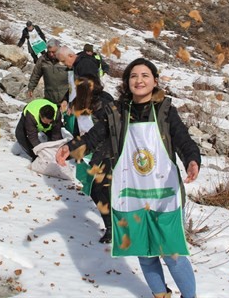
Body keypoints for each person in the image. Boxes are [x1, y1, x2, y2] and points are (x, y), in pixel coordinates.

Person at [56, 58, 201, 298]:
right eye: (133, 76)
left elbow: (183, 140)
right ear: (127, 82)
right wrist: (70, 148)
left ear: (155, 81)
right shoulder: (118, 112)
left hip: (163, 193)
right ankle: (160, 294)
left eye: (145, 75)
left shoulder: (165, 110)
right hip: (131, 192)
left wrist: (192, 161)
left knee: (172, 252)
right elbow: (94, 136)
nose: (139, 80)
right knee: (144, 251)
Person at [70, 74, 115, 243]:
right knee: (97, 190)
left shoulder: (104, 103)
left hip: (110, 151)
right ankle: (112, 226)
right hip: (96, 152)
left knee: (100, 190)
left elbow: (109, 134)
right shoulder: (89, 102)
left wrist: (96, 157)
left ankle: (113, 228)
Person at [27, 38, 69, 105]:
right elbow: (36, 74)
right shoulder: (43, 59)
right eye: (49, 52)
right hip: (49, 98)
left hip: (66, 99)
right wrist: (31, 88)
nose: (51, 54)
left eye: (53, 52)